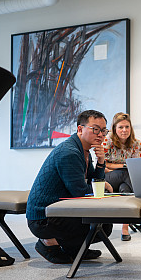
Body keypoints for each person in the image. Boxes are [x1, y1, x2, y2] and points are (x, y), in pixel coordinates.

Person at [26, 110, 114, 264]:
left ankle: (75, 248)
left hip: (59, 210)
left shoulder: (84, 150)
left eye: (104, 130)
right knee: (101, 225)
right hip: (43, 218)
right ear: (80, 129)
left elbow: (93, 182)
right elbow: (80, 193)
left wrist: (101, 162)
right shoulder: (70, 152)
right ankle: (47, 244)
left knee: (104, 225)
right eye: (96, 129)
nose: (101, 134)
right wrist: (102, 187)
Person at [102, 112, 141, 241]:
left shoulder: (136, 144)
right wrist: (122, 166)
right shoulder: (107, 141)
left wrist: (127, 167)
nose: (124, 130)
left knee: (125, 188)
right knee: (127, 173)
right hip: (108, 177)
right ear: (114, 128)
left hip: (125, 178)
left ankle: (125, 228)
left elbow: (136, 165)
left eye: (127, 127)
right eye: (120, 127)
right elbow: (103, 165)